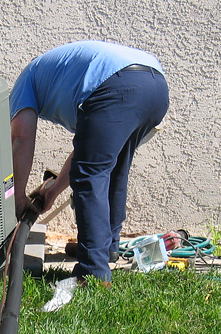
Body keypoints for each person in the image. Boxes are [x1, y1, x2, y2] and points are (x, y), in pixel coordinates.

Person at [10, 40, 169, 284]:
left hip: (118, 84)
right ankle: (106, 248)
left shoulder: (22, 86)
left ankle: (93, 271)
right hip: (155, 87)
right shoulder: (55, 76)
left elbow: (21, 138)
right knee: (113, 169)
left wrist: (18, 196)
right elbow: (86, 152)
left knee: (90, 176)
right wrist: (52, 192)